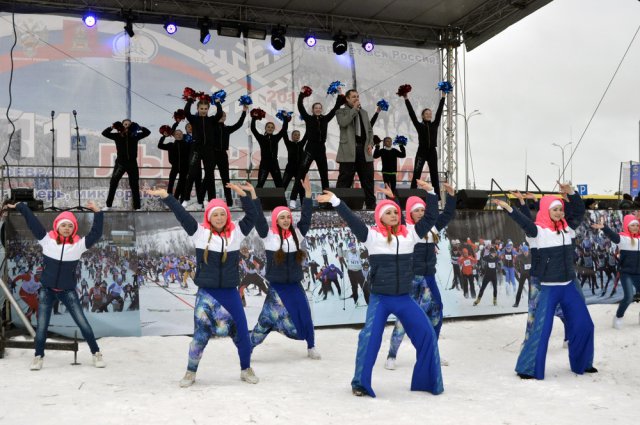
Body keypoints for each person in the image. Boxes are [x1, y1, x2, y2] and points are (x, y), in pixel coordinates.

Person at [317, 179, 443, 397]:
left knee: (427, 335)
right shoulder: (372, 237)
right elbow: (353, 220)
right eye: (388, 213)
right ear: (379, 217)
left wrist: (431, 192)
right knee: (369, 338)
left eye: (395, 212)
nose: (394, 215)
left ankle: (427, 381)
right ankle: (360, 383)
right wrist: (336, 201)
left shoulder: (410, 235)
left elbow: (431, 217)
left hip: (403, 298)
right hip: (381, 299)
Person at [146, 181, 259, 387]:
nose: (219, 218)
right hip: (207, 294)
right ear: (208, 217)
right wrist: (166, 196)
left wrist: (243, 195)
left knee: (242, 332)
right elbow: (182, 215)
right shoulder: (200, 234)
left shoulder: (236, 234)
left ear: (227, 216)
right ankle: (190, 372)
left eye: (222, 214)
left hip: (230, 293)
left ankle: (246, 368)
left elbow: (252, 216)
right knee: (200, 335)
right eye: (215, 214)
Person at [493, 184, 597, 380]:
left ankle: (583, 363)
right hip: (549, 287)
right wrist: (509, 208)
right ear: (546, 211)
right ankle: (528, 368)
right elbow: (524, 222)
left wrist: (572, 192)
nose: (559, 212)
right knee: (541, 329)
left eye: (560, 209)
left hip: (568, 286)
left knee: (585, 324)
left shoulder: (567, 229)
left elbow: (579, 210)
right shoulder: (538, 232)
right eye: (554, 209)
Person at [7, 201, 106, 370]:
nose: (66, 228)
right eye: (63, 225)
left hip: (67, 291)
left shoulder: (78, 245)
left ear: (74, 228)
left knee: (82, 323)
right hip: (47, 290)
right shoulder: (47, 241)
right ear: (57, 226)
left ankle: (96, 353)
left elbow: (96, 233)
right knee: (42, 325)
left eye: (70, 225)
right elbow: (33, 222)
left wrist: (98, 212)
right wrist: (21, 206)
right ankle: (38, 356)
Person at [382, 182, 456, 370]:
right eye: (417, 210)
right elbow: (397, 215)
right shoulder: (405, 229)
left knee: (436, 313)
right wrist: (392, 198)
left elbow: (447, 214)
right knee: (404, 318)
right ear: (409, 212)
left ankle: (431, 352)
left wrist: (451, 196)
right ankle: (391, 355)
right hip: (412, 280)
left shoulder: (432, 228)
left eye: (423, 210)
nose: (421, 213)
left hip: (429, 278)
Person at [250, 178, 321, 359]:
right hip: (277, 287)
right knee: (266, 319)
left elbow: (306, 217)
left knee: (305, 315)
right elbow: (258, 218)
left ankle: (311, 346)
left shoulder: (296, 234)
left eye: (288, 217)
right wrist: (253, 196)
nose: (286, 220)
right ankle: (248, 347)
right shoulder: (269, 236)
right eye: (282, 217)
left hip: (295, 284)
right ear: (275, 219)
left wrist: (307, 194)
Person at [289, 87, 344, 207]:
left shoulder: (325, 119)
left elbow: (335, 108)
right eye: (316, 108)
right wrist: (301, 94)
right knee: (301, 173)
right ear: (313, 110)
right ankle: (293, 199)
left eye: (320, 108)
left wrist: (340, 94)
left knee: (324, 176)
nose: (318, 109)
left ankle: (326, 201)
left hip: (321, 149)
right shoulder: (308, 118)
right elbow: (300, 106)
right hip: (310, 149)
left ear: (321, 109)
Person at [592, 214, 640, 329]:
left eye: (637, 225)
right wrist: (604, 227)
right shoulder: (623, 239)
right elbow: (613, 236)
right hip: (626, 273)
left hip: (639, 273)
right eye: (632, 225)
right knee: (629, 297)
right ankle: (618, 317)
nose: (635, 227)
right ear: (627, 226)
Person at [335, 89, 376, 209]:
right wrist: (354, 110)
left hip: (364, 151)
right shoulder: (340, 112)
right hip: (348, 151)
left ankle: (371, 206)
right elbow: (343, 123)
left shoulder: (364, 112)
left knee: (368, 181)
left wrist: (371, 143)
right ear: (347, 99)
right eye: (353, 97)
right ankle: (339, 207)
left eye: (357, 96)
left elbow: (369, 130)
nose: (356, 99)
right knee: (344, 181)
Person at [402, 90, 445, 198]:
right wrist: (406, 99)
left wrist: (443, 97)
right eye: (426, 114)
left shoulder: (435, 124)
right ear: (422, 116)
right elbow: (411, 113)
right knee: (417, 174)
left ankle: (437, 197)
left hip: (432, 152)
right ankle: (412, 195)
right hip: (422, 151)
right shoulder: (419, 125)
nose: (429, 115)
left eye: (430, 114)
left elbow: (439, 112)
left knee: (434, 175)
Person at [182, 97, 223, 207]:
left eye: (205, 108)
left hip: (209, 150)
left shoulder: (211, 120)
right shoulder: (194, 119)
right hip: (196, 149)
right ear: (198, 108)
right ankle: (186, 199)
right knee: (192, 173)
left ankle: (212, 200)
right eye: (201, 108)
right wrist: (190, 101)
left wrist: (218, 103)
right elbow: (186, 112)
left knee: (210, 175)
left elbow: (219, 114)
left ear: (208, 109)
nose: (203, 110)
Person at [101, 119, 151, 210]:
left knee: (134, 185)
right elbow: (104, 133)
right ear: (122, 125)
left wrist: (139, 127)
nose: (127, 125)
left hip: (132, 164)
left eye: (129, 124)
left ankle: (137, 207)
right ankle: (108, 205)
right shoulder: (117, 135)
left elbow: (147, 132)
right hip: (120, 163)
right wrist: (112, 127)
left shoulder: (135, 135)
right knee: (113, 183)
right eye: (125, 123)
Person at [213, 105, 248, 205]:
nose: (222, 117)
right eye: (220, 115)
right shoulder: (211, 127)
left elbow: (239, 124)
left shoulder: (227, 129)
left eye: (223, 115)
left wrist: (244, 112)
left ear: (225, 118)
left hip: (223, 154)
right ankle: (207, 201)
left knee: (226, 179)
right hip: (212, 154)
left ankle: (229, 202)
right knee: (208, 177)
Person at [251, 116, 289, 188]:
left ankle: (280, 196)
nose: (270, 128)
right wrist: (254, 118)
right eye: (268, 127)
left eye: (272, 127)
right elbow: (253, 129)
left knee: (279, 184)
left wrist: (285, 119)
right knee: (260, 183)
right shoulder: (261, 138)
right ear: (265, 128)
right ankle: (256, 196)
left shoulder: (276, 138)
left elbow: (284, 129)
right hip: (264, 163)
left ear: (274, 129)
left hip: (274, 164)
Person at [158, 122, 190, 199]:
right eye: (177, 134)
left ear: (183, 135)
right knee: (171, 182)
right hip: (174, 167)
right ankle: (170, 198)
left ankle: (180, 199)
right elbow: (160, 145)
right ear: (174, 136)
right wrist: (164, 136)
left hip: (185, 167)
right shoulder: (171, 145)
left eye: (180, 134)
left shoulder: (187, 145)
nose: (179, 135)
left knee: (182, 184)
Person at [282, 129, 306, 207]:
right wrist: (285, 122)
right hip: (290, 168)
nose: (297, 136)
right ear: (292, 136)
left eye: (298, 135)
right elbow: (284, 134)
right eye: (295, 135)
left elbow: (306, 135)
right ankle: (280, 203)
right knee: (283, 186)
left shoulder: (301, 144)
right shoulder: (289, 143)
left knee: (301, 187)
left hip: (299, 170)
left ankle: (303, 204)